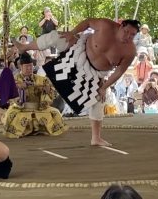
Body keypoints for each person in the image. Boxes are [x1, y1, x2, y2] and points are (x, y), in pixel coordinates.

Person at [14, 18, 139, 146]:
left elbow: (119, 72)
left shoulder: (130, 51)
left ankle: (96, 138)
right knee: (57, 36)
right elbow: (88, 22)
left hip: (94, 74)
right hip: (77, 51)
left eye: (133, 35)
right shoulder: (105, 25)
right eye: (127, 32)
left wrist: (104, 87)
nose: (128, 36)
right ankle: (26, 47)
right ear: (121, 26)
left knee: (98, 99)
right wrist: (72, 32)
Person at [2, 52, 68, 138]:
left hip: (39, 107)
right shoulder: (14, 79)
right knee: (12, 114)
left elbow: (52, 92)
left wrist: (47, 90)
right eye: (27, 66)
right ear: (21, 67)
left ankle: (40, 130)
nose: (29, 68)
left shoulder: (42, 79)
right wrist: (19, 89)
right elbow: (9, 94)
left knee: (55, 113)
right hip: (20, 108)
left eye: (31, 66)